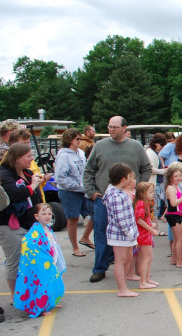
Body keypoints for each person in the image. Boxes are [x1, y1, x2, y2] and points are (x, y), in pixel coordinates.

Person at [83, 116, 152, 284]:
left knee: (130, 234)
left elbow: (146, 168)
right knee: (101, 233)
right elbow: (89, 170)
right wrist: (91, 192)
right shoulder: (100, 146)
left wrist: (138, 189)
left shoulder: (135, 146)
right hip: (104, 198)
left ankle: (129, 269)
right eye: (109, 127)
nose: (111, 130)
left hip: (130, 200)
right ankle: (100, 268)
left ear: (124, 128)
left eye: (115, 127)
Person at [0, 143, 45, 298]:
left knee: (33, 260)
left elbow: (36, 196)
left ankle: (31, 293)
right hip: (10, 224)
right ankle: (16, 296)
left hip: (29, 223)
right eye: (28, 156)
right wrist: (32, 186)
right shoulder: (4, 174)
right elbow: (13, 195)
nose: (31, 159)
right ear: (17, 158)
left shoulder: (27, 172)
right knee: (16, 260)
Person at [13, 203, 66, 317]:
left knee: (52, 282)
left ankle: (51, 302)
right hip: (43, 263)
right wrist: (44, 258)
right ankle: (41, 307)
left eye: (49, 214)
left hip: (51, 261)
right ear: (37, 216)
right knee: (43, 284)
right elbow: (28, 244)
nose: (47, 216)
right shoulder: (34, 232)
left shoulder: (49, 228)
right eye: (44, 214)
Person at [54, 128, 95, 257]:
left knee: (94, 213)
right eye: (77, 139)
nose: (79, 141)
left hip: (83, 190)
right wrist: (77, 185)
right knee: (73, 219)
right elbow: (60, 177)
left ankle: (85, 237)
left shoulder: (81, 153)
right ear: (69, 140)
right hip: (69, 191)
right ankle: (75, 247)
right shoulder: (63, 155)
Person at [103, 163, 141, 297]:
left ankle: (124, 285)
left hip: (126, 233)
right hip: (120, 234)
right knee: (121, 260)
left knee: (127, 258)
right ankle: (122, 288)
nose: (132, 179)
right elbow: (120, 218)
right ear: (123, 179)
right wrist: (129, 232)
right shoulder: (115, 195)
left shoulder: (118, 192)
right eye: (130, 177)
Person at [164, 164, 182, 268]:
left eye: (180, 175)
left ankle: (174, 258)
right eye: (175, 176)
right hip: (174, 215)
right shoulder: (171, 188)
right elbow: (173, 203)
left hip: (177, 214)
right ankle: (179, 261)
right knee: (180, 239)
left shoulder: (177, 186)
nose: (178, 178)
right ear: (170, 177)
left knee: (177, 239)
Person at [133, 182, 159, 289]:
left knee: (149, 256)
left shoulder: (145, 203)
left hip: (146, 233)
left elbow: (143, 220)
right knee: (145, 258)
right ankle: (143, 281)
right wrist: (151, 229)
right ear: (142, 193)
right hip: (143, 234)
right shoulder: (141, 203)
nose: (153, 194)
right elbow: (139, 220)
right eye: (151, 192)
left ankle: (147, 278)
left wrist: (150, 224)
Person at [145, 133, 167, 234]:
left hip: (155, 182)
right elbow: (151, 169)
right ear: (157, 144)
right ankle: (155, 229)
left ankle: (155, 228)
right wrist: (164, 171)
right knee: (154, 208)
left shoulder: (152, 152)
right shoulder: (151, 153)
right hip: (153, 183)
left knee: (154, 207)